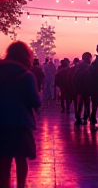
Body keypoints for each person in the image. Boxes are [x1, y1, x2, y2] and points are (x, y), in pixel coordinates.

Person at [0, 41, 41, 188]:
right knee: (21, 159)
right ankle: (21, 185)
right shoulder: (26, 75)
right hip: (20, 124)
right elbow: (35, 102)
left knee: (3, 163)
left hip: (1, 125)